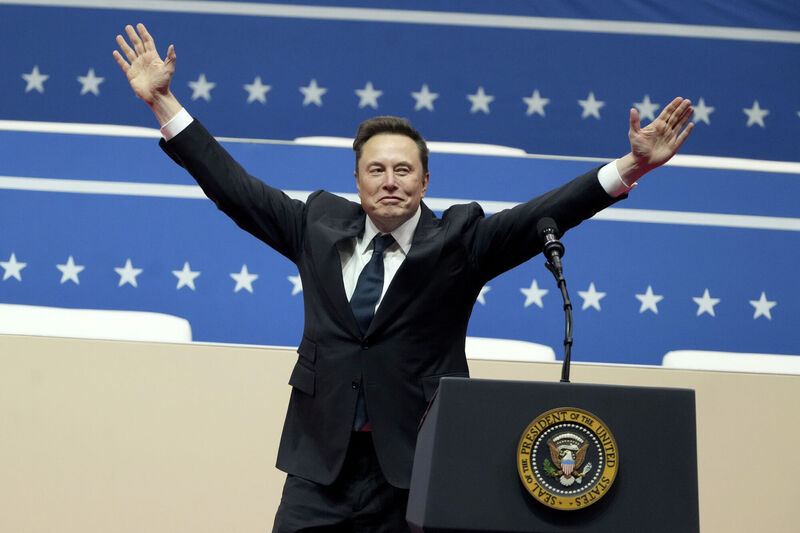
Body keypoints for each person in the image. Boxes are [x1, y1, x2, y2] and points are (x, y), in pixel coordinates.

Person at [113, 23, 693, 532]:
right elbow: (234, 189)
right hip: (319, 468)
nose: (389, 181)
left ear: (424, 181)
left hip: (417, 467)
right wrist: (163, 102)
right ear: (358, 181)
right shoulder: (315, 226)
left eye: (403, 170)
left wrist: (633, 166)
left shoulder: (460, 242)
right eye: (376, 169)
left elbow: (546, 211)